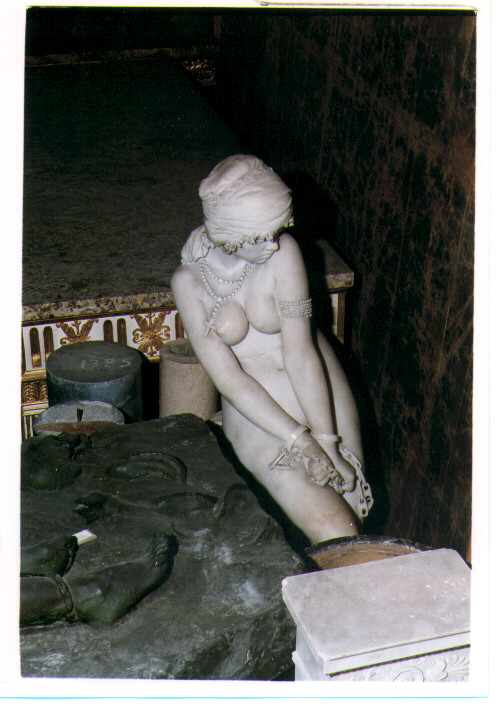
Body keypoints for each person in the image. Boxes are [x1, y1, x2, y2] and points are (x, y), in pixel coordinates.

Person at [172, 155, 373, 545]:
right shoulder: (188, 282)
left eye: (277, 230)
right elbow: (229, 380)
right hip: (256, 410)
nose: (273, 244)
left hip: (316, 387)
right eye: (260, 237)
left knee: (354, 519)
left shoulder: (283, 252)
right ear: (230, 235)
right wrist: (302, 441)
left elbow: (301, 353)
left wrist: (326, 440)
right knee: (333, 527)